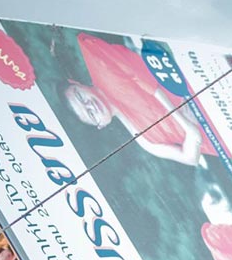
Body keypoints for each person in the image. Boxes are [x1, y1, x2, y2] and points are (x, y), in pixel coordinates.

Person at [65, 33, 220, 168]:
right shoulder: (145, 140)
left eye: (80, 97)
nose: (90, 105)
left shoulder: (105, 64)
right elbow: (189, 159)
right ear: (101, 125)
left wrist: (184, 122)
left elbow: (148, 78)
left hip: (208, 82)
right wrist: (193, 136)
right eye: (90, 114)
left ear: (78, 84)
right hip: (221, 132)